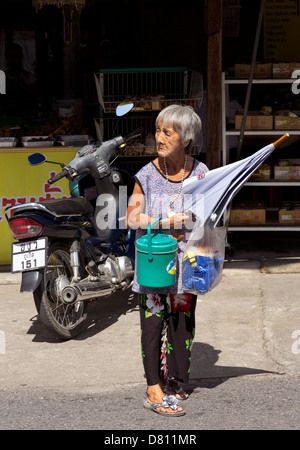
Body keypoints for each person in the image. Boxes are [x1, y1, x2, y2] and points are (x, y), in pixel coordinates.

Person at [126, 104, 209, 416]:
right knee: (152, 322)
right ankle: (153, 385)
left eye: (167, 132)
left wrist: (191, 217)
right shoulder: (146, 175)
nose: (158, 137)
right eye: (157, 131)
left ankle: (175, 380)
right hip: (154, 264)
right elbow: (132, 217)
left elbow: (207, 213)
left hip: (187, 264)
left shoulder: (200, 173)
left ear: (185, 139)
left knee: (182, 324)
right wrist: (165, 221)